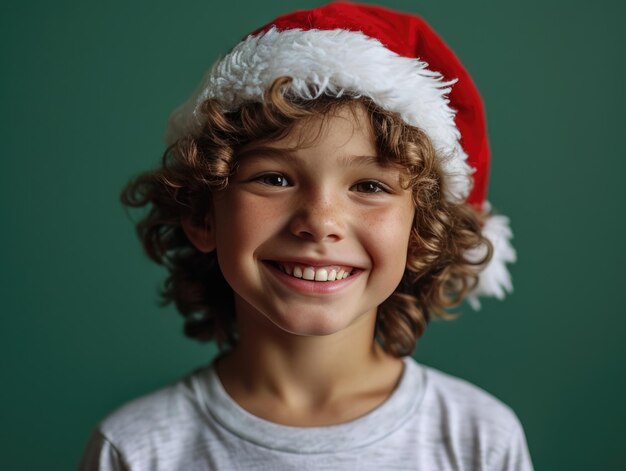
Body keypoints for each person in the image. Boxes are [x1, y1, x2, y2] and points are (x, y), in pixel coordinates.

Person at [79, 2, 532, 469]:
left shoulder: (480, 440)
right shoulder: (134, 449)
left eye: (370, 186)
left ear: (421, 231)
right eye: (274, 179)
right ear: (202, 215)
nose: (319, 221)